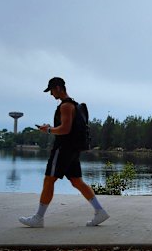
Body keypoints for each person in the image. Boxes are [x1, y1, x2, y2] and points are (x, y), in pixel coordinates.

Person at [18, 77, 109, 228]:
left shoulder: (66, 106)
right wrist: (50, 127)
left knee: (49, 180)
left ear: (58, 88)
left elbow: (65, 129)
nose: (51, 94)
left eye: (51, 90)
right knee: (76, 181)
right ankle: (100, 211)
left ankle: (38, 218)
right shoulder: (74, 104)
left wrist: (48, 130)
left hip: (63, 148)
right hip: (73, 149)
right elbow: (67, 127)